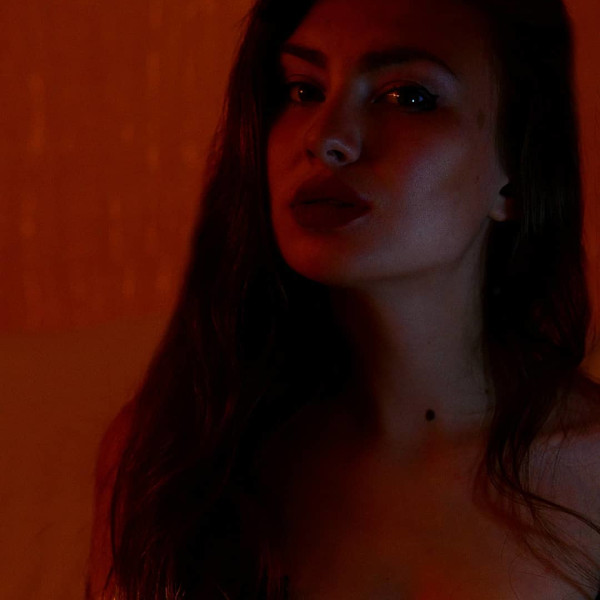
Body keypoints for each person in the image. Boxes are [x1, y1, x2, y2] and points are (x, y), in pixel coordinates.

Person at [87, 0, 600, 598]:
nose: (324, 137)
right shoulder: (173, 457)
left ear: (516, 174)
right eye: (303, 90)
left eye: (407, 96)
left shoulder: (588, 473)